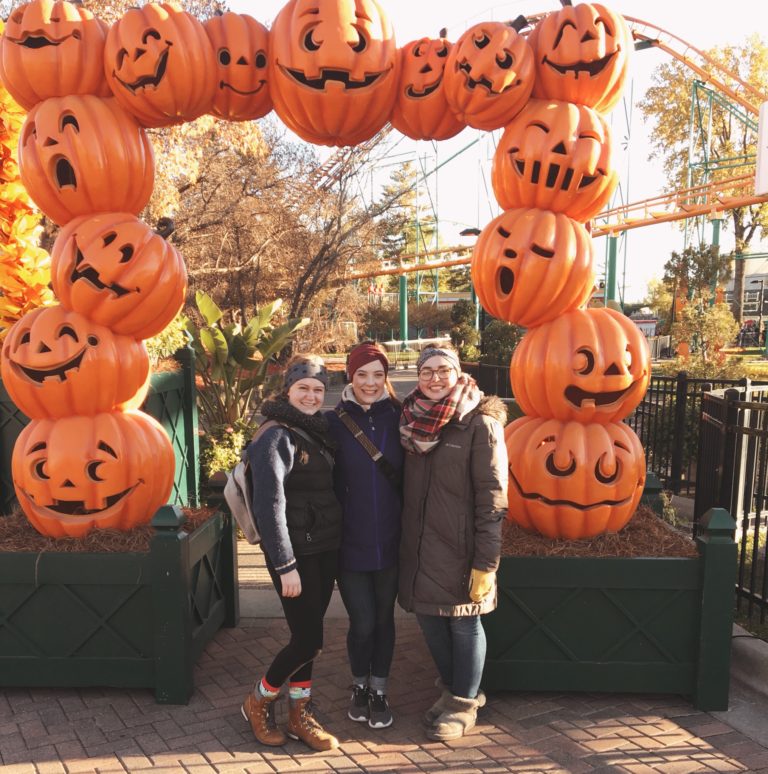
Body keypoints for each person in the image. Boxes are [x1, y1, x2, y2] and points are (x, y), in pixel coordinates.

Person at [397, 345, 508, 741]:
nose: (435, 378)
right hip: (420, 546)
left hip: (462, 548)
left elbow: (493, 498)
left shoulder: (480, 424)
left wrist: (486, 562)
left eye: (443, 370)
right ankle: (450, 689)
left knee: (464, 623)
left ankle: (464, 703)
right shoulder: (410, 420)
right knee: (429, 620)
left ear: (458, 373)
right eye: (426, 371)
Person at [240, 354, 342, 752]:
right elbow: (269, 506)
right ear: (288, 390)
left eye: (318, 389)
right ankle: (258, 700)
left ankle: (300, 714)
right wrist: (285, 565)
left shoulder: (315, 430)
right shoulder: (276, 436)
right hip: (295, 555)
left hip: (322, 547)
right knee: (308, 641)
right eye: (304, 388)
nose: (312, 395)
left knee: (309, 635)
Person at [327, 342, 404, 729]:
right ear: (350, 377)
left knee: (385, 619)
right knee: (363, 623)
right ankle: (358, 684)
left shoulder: (401, 415)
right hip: (350, 541)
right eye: (362, 374)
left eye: (378, 374)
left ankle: (379, 689)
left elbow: (448, 410)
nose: (370, 383)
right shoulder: (334, 421)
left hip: (392, 539)